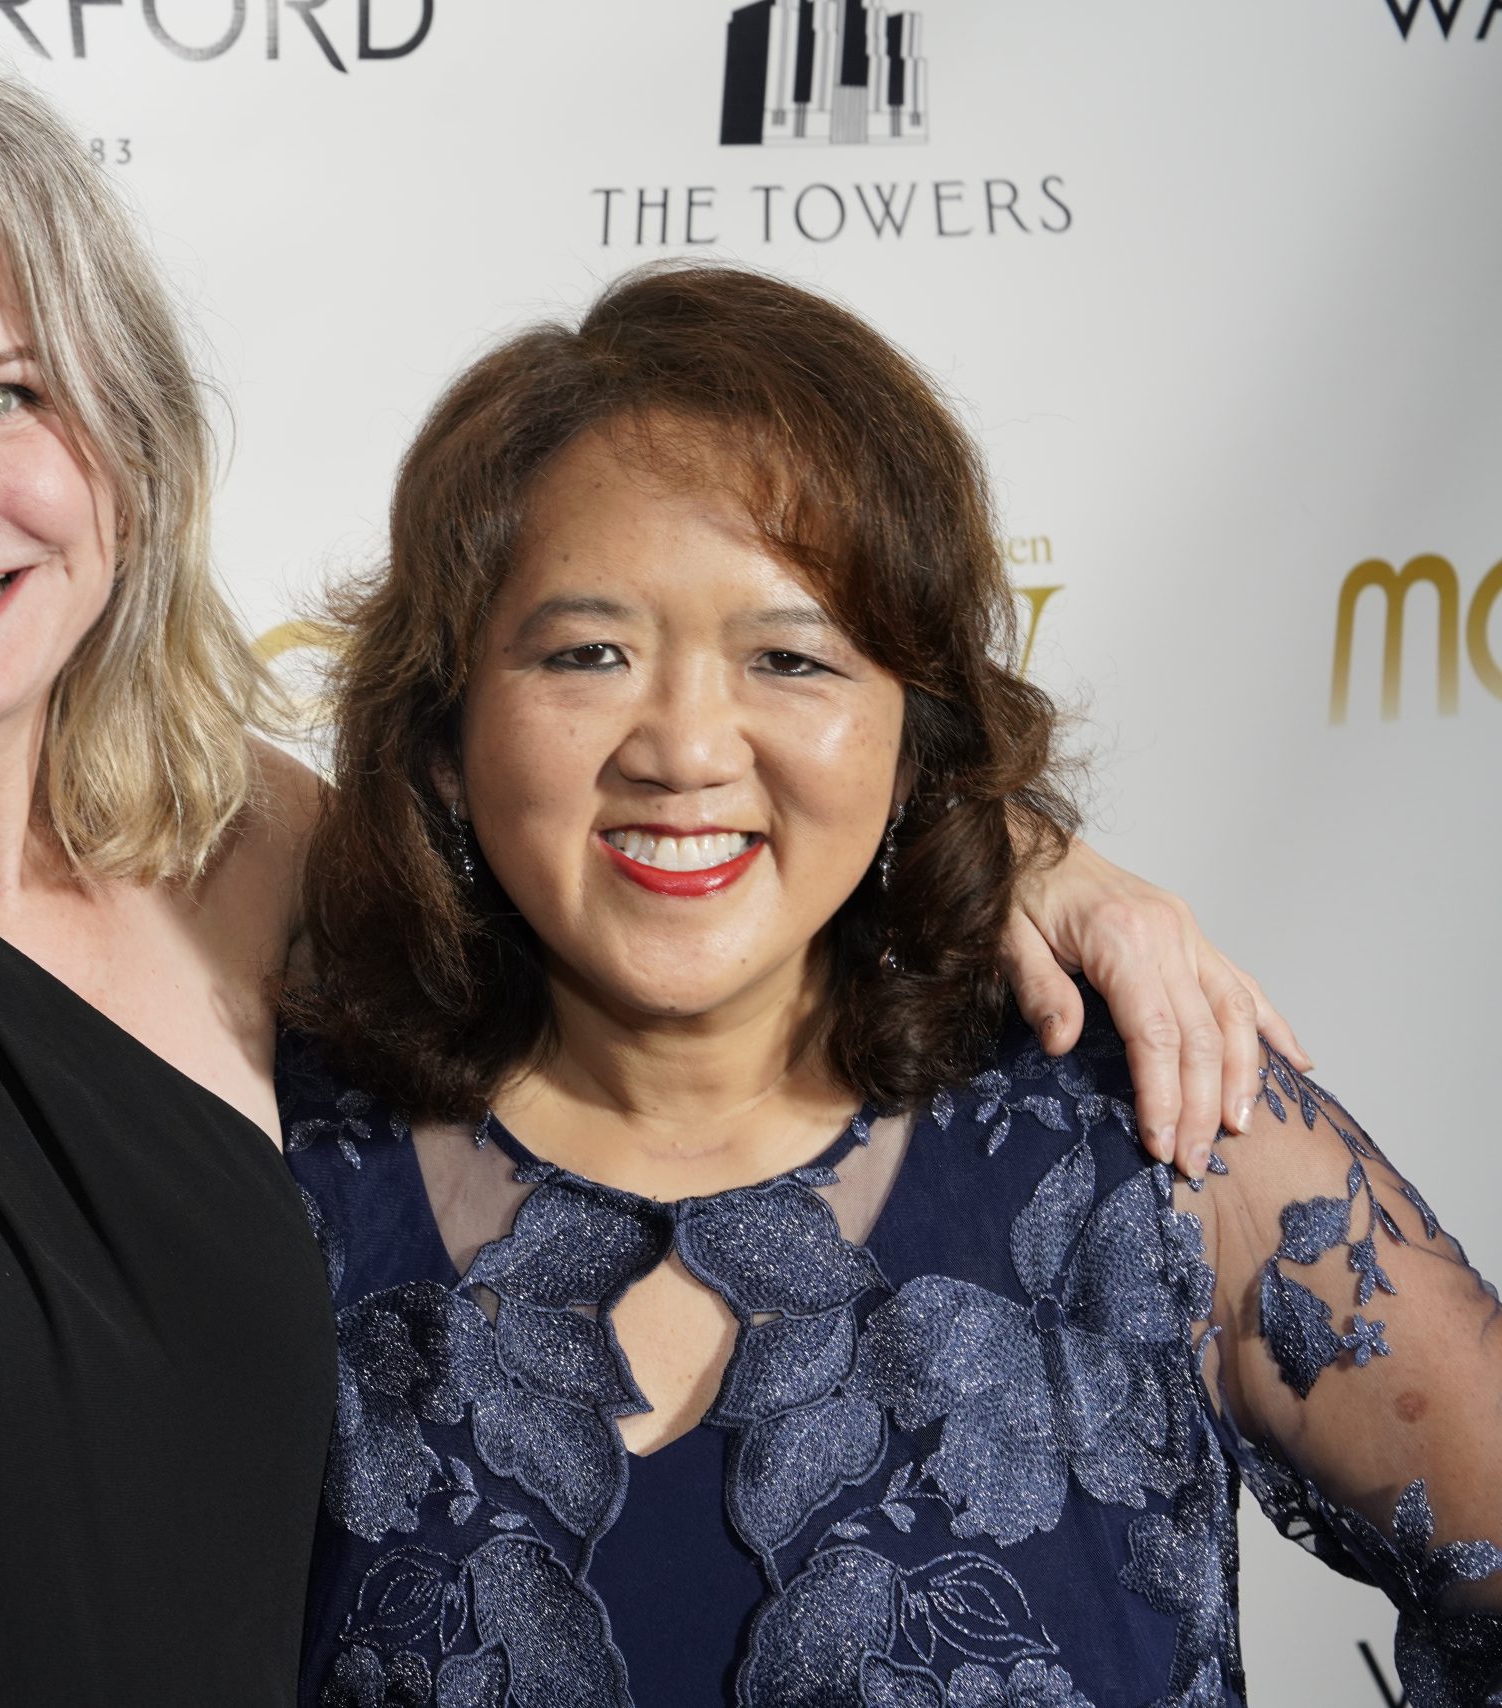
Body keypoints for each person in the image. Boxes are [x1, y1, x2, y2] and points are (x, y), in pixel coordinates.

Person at [0, 48, 1303, 1708]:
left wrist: (1039, 860)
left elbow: (650, 836)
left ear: (123, 445)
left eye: (0, 393)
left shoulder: (248, 847)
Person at [274, 264, 1502, 1707]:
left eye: (790, 658)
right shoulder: (267, 1177)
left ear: (914, 738)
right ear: (444, 735)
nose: (686, 748)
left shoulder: (1157, 1136)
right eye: (588, 653)